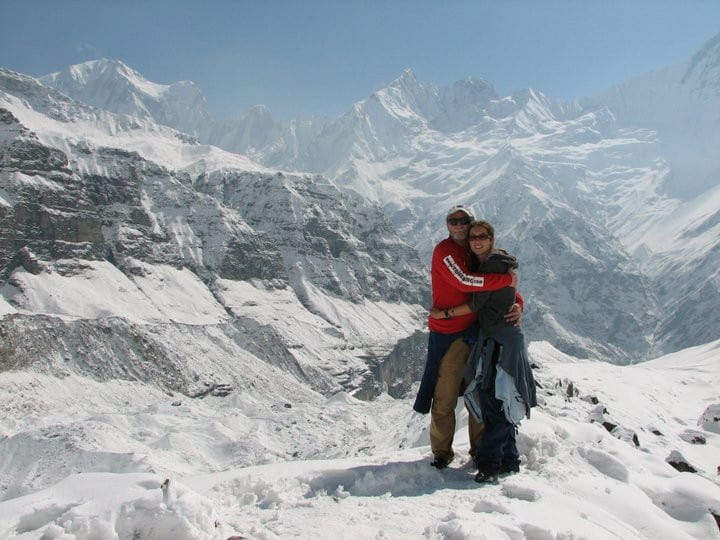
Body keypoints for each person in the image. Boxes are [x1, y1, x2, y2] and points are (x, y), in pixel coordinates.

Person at [413, 206, 523, 470]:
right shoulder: (445, 251)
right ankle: (442, 452)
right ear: (447, 225)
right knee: (445, 395)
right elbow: (465, 282)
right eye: (454, 221)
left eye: (465, 221)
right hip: (449, 334)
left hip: (478, 331)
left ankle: (481, 449)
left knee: (479, 393)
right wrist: (506, 281)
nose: (460, 225)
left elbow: (497, 292)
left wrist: (518, 301)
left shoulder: (477, 253)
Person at [430, 220, 536, 483]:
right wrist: (515, 298)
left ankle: (489, 464)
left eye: (482, 236)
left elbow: (475, 296)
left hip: (501, 340)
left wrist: (442, 314)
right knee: (500, 394)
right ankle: (509, 460)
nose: (477, 239)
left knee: (493, 398)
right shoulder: (480, 264)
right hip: (494, 338)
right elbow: (503, 290)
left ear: (491, 238)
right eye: (473, 236)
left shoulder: (493, 266)